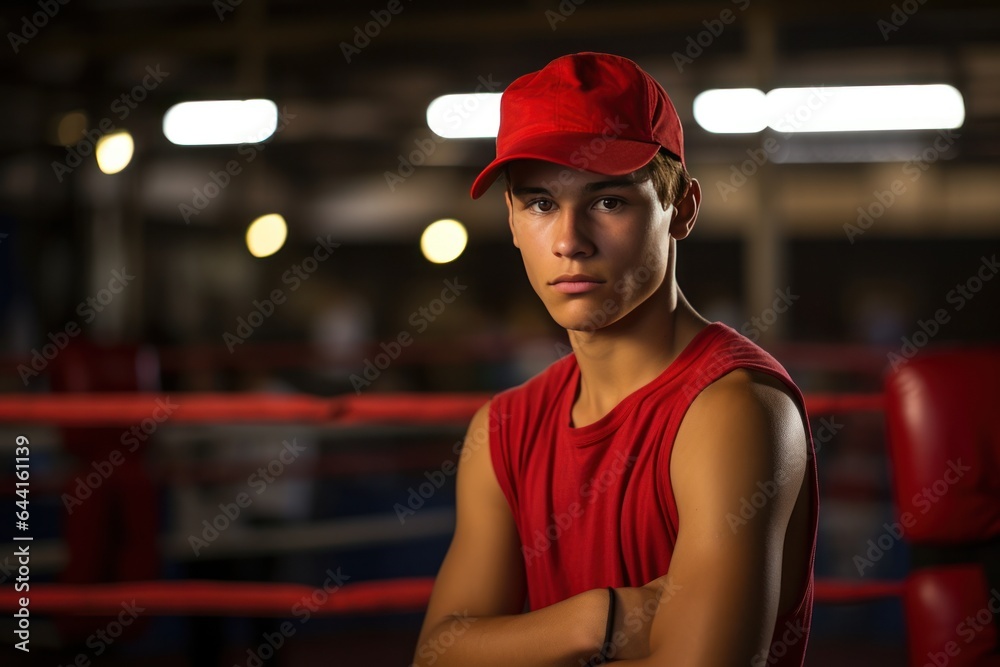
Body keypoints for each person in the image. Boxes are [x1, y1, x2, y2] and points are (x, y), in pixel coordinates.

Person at [412, 52, 818, 667]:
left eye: (608, 202)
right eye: (541, 203)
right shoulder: (502, 429)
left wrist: (511, 646)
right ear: (513, 221)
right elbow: (437, 655)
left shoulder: (735, 410)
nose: (570, 241)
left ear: (680, 209)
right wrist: (598, 619)